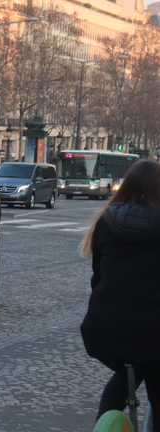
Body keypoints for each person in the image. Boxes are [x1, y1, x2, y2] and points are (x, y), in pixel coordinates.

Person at [79, 160, 160, 429]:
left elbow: (98, 276)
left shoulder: (107, 220)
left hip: (105, 328)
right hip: (153, 329)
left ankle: (103, 425)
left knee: (128, 376)